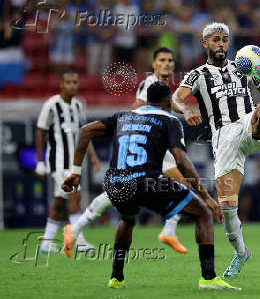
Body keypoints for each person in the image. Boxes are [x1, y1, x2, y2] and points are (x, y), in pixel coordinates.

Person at [62, 82, 240, 290]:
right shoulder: (169, 120)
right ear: (167, 101)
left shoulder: (123, 116)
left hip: (115, 182)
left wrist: (75, 172)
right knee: (202, 212)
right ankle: (208, 278)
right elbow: (181, 160)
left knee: (128, 219)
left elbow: (85, 131)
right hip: (147, 181)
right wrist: (206, 196)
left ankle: (116, 278)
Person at [172, 22, 260, 278]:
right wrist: (186, 108)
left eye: (224, 39)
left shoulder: (243, 65)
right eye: (215, 39)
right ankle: (241, 252)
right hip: (223, 139)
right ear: (205, 43)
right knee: (227, 207)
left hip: (246, 125)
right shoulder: (198, 74)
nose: (221, 44)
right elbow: (176, 98)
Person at [64, 48, 189, 255]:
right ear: (154, 63)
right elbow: (137, 107)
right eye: (162, 60)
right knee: (181, 183)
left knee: (125, 189)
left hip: (153, 143)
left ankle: (76, 228)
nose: (166, 64)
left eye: (170, 60)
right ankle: (169, 230)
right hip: (147, 143)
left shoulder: (164, 87)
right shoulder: (149, 84)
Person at [35, 70, 100, 253]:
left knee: (59, 202)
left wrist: (93, 157)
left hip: (74, 163)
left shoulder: (78, 106)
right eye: (68, 82)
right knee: (75, 195)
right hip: (59, 161)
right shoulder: (51, 105)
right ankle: (77, 240)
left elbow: (84, 134)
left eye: (75, 82)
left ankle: (46, 243)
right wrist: (40, 162)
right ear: (61, 85)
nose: (72, 85)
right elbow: (40, 132)